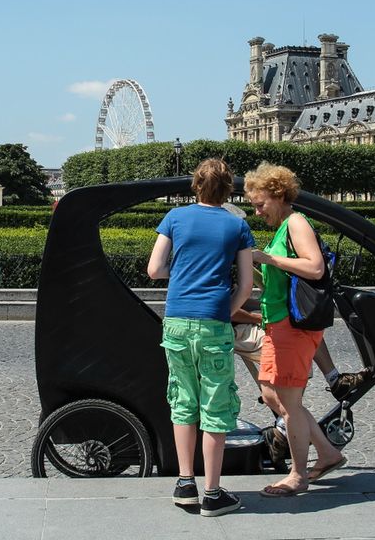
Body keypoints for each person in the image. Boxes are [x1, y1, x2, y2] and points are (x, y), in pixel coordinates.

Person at [148, 158, 254, 517]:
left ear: (195, 185)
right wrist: (227, 308)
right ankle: (212, 492)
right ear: (229, 189)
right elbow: (246, 283)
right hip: (213, 320)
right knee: (215, 404)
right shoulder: (235, 224)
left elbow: (154, 269)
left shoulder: (175, 219)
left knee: (183, 401)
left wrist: (180, 273)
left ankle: (184, 482)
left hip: (177, 318)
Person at [244, 162, 356, 497]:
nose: (257, 211)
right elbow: (283, 279)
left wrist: (269, 259)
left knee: (290, 403)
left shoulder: (295, 222)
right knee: (270, 392)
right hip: (278, 324)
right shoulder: (282, 228)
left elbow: (314, 267)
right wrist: (257, 266)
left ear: (278, 195)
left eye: (260, 203)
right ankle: (327, 452)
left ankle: (297, 475)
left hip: (294, 326)